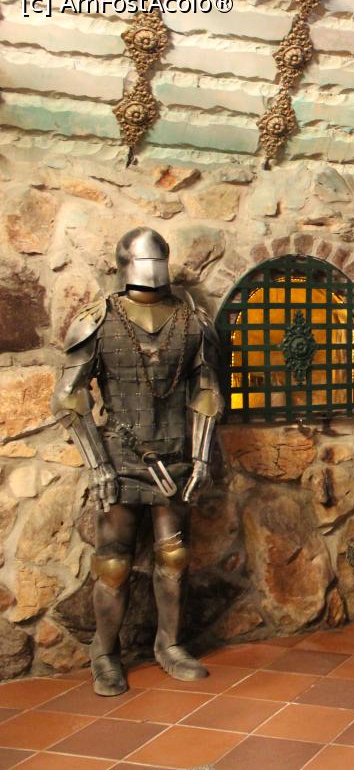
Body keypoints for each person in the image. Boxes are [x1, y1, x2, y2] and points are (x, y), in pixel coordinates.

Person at [51, 227, 222, 696]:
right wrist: (98, 465)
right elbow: (69, 398)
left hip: (175, 455)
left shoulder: (192, 320)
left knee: (175, 555)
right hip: (119, 456)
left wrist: (201, 458)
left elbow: (207, 392)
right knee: (112, 562)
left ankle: (170, 644)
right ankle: (105, 653)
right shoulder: (98, 320)